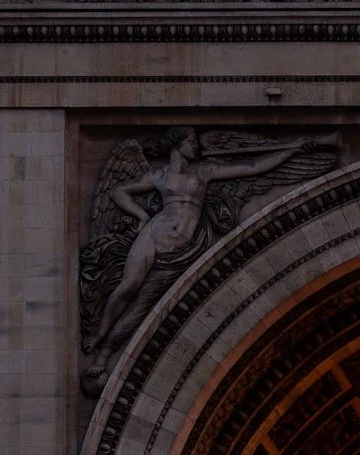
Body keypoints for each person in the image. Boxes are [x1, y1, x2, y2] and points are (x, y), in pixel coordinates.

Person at [93, 128, 323, 356]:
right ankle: (100, 334)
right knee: (128, 286)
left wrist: (291, 150)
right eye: (191, 141)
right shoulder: (159, 175)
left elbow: (253, 167)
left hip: (185, 247)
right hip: (153, 234)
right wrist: (142, 216)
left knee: (143, 301)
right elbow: (118, 191)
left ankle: (106, 352)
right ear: (177, 144)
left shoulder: (204, 171)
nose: (197, 146)